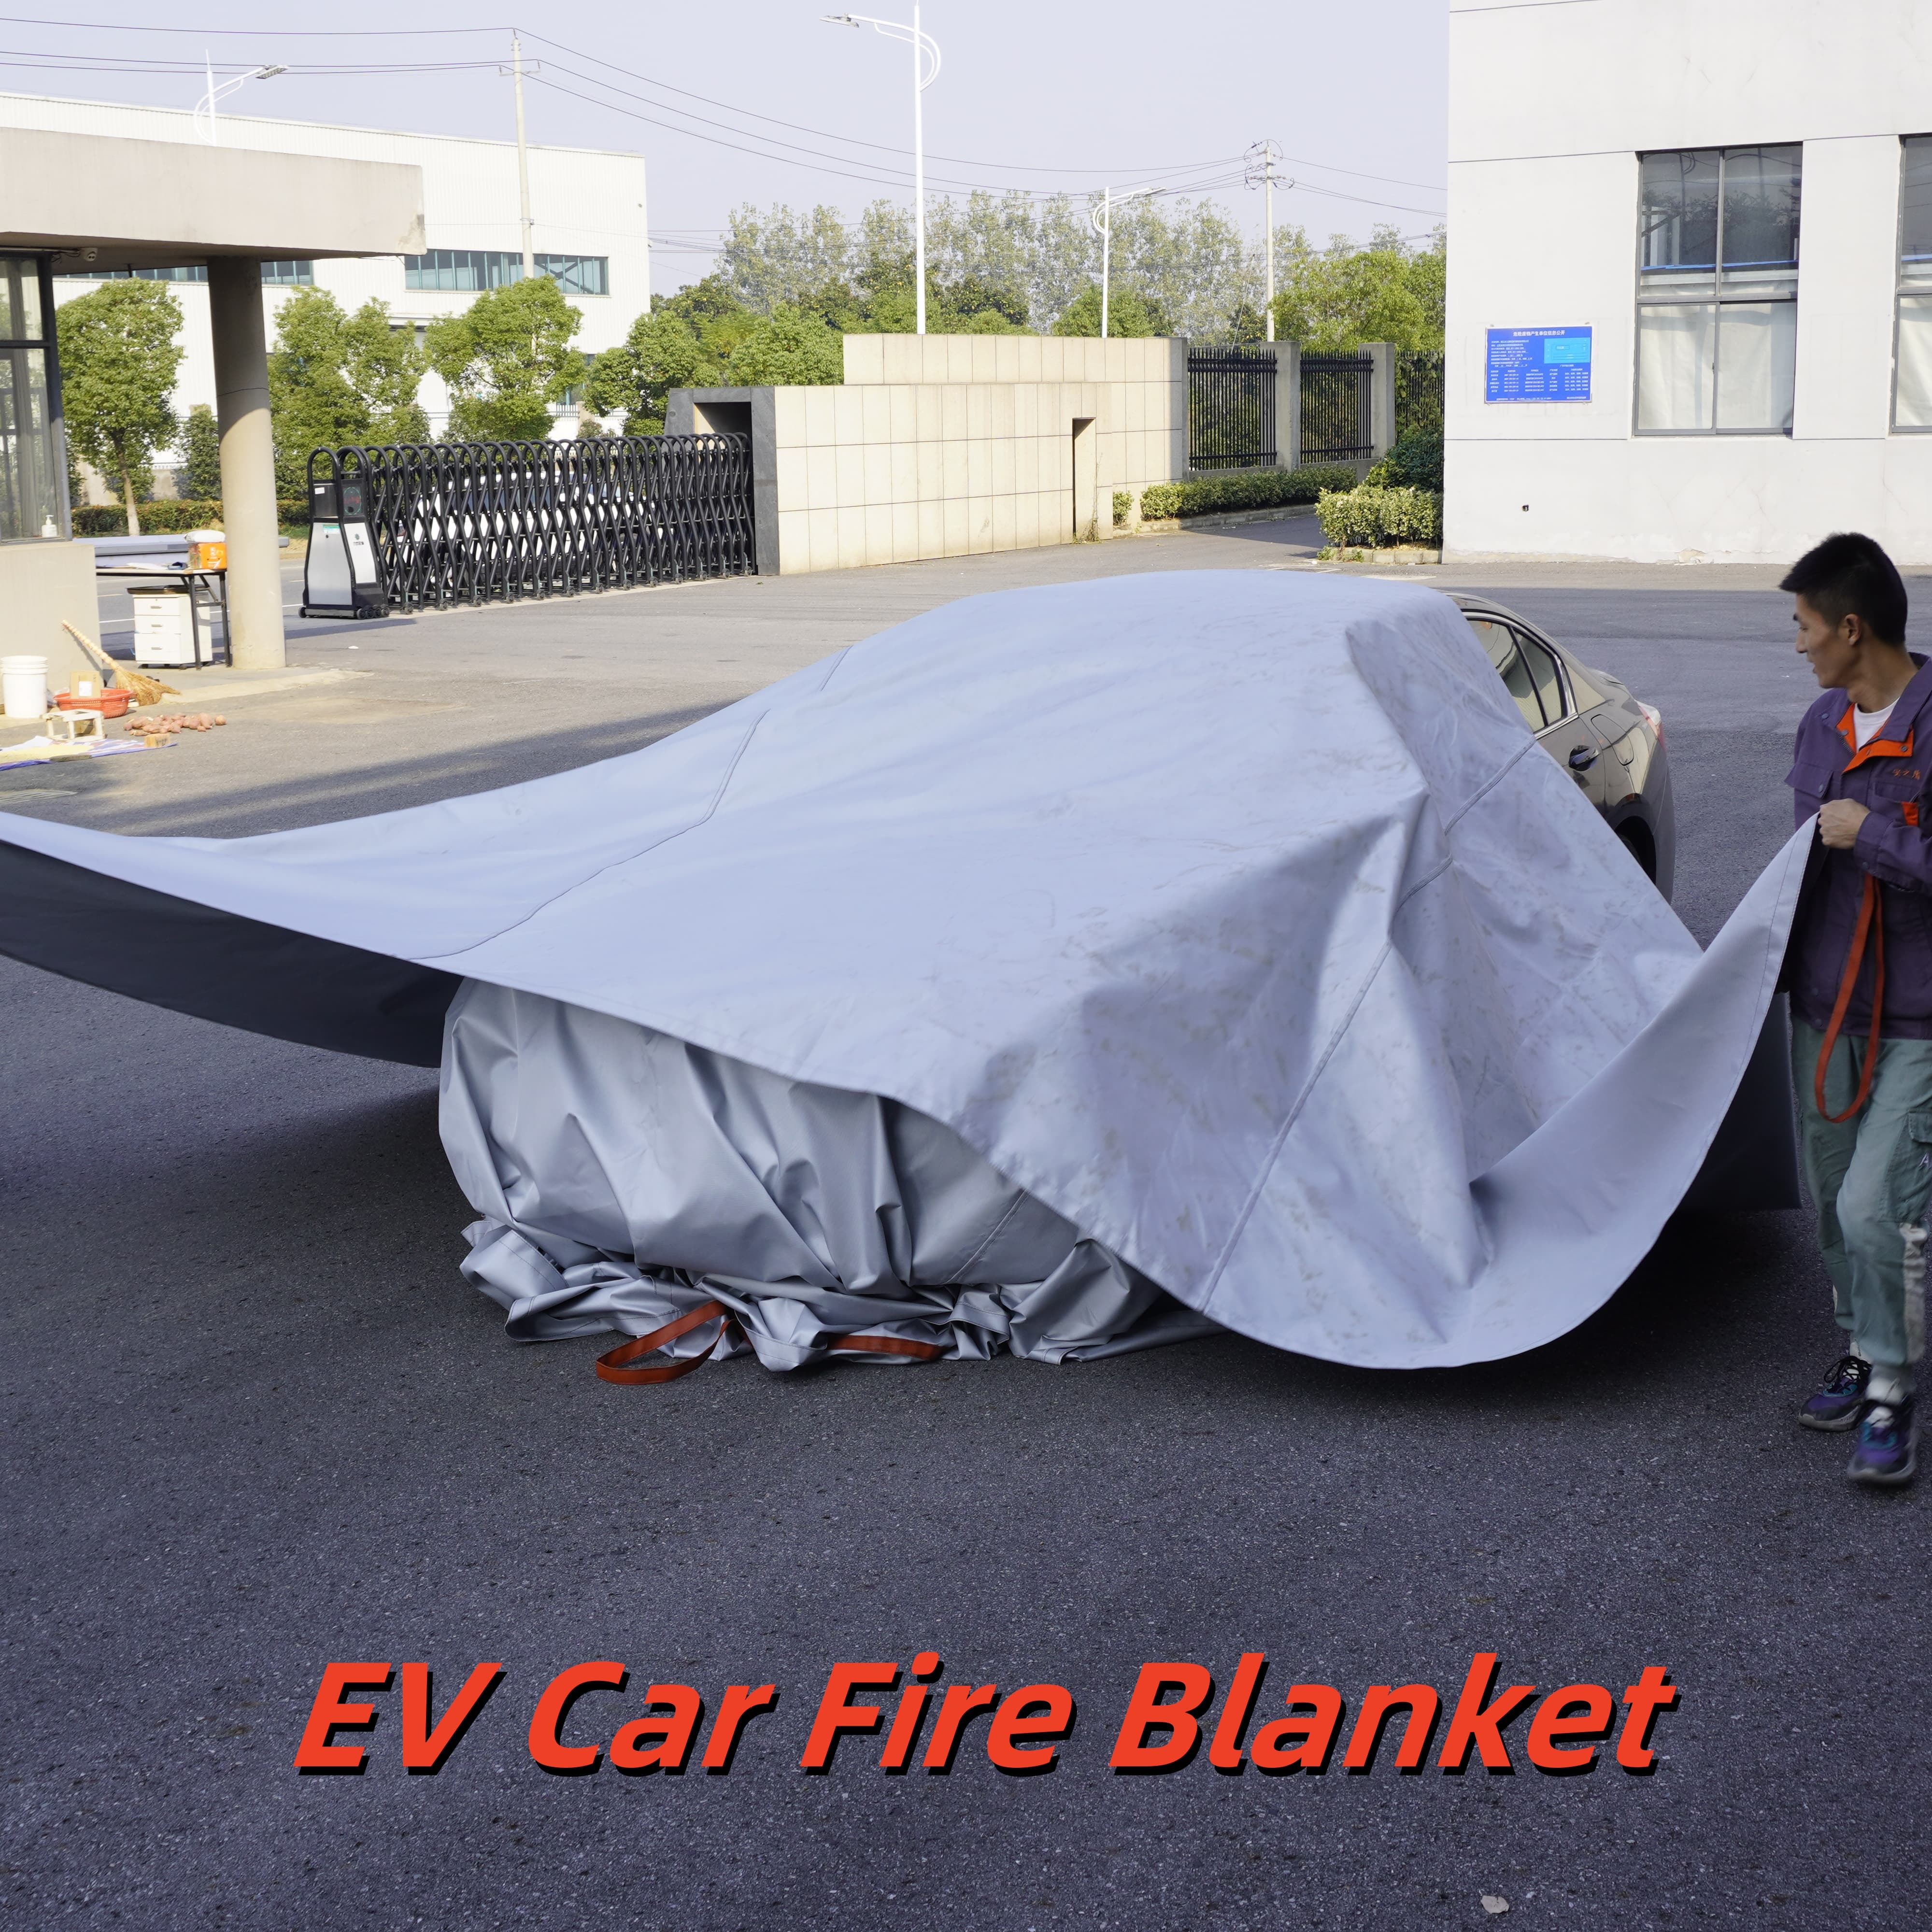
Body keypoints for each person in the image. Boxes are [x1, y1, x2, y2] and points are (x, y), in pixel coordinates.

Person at [1784, 532, 1930, 1486]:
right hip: (1826, 1005)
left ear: (1850, 628)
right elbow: (1792, 872)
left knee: (1876, 1204)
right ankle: (1862, 1340)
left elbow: (1860, 843)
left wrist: (1873, 832)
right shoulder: (1820, 723)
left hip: (1918, 1018)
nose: (1797, 643)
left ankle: (1891, 1386)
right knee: (1833, 1202)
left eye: (1804, 626)